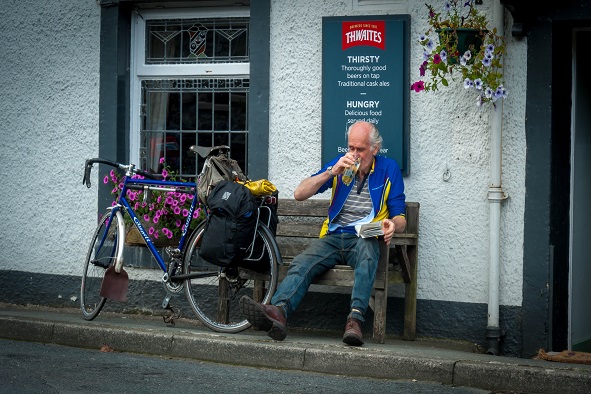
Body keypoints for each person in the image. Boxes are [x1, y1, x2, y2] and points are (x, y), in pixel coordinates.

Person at [239, 121, 406, 346]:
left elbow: (400, 216)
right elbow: (299, 193)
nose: (354, 154)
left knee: (368, 254)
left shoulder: (388, 169)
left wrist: (393, 225)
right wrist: (331, 172)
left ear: (375, 149)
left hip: (365, 237)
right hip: (335, 236)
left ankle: (355, 321)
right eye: (351, 148)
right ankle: (279, 312)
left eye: (361, 149)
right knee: (302, 261)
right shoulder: (340, 166)